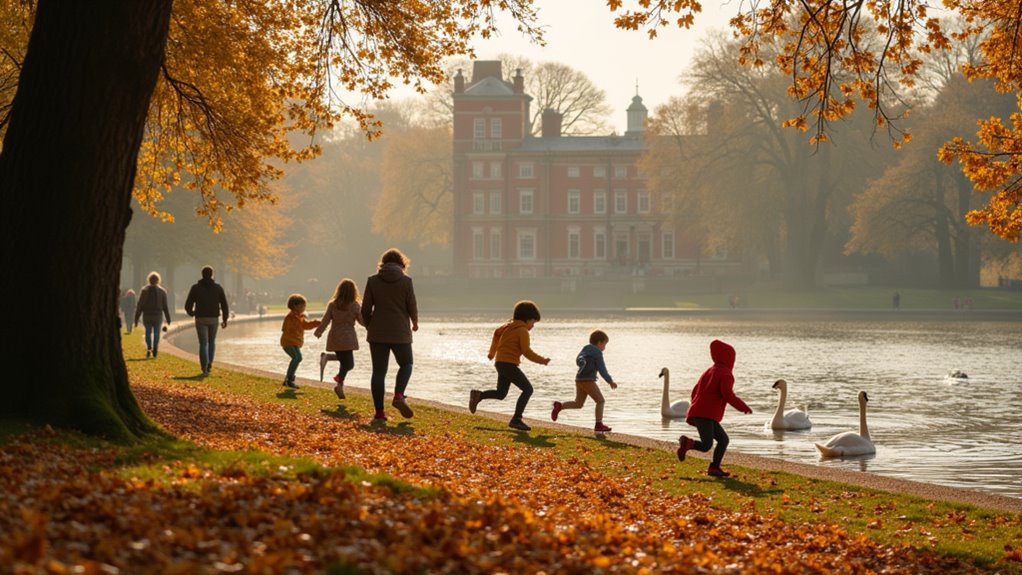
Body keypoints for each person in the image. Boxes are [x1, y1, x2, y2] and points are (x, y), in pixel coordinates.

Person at [468, 300, 550, 432]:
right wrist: (542, 360)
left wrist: (492, 353)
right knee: (528, 389)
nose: (533, 326)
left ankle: (479, 395)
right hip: (508, 364)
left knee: (501, 393)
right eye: (533, 322)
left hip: (500, 363)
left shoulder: (508, 326)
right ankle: (516, 419)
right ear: (527, 319)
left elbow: (496, 334)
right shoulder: (522, 331)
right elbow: (526, 351)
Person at [676, 339, 752, 477]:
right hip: (706, 413)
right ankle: (687, 443)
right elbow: (728, 394)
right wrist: (743, 407)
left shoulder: (709, 371)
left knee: (723, 440)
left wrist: (695, 405)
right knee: (707, 445)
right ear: (729, 358)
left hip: (701, 412)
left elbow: (695, 390)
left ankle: (714, 468)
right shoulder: (726, 374)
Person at [362, 248, 419, 421]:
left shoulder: (372, 281)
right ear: (402, 263)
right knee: (407, 364)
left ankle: (379, 413)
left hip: (377, 332)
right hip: (400, 331)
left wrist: (370, 326)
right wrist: (415, 322)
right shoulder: (406, 281)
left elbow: (365, 309)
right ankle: (399, 395)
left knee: (379, 372)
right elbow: (411, 304)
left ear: (383, 263)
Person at [551, 329, 618, 432]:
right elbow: (602, 369)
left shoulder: (585, 348)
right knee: (600, 401)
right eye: (604, 344)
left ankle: (560, 406)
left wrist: (582, 363)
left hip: (579, 380)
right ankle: (599, 424)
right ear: (599, 343)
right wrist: (610, 381)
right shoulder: (597, 353)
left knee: (578, 403)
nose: (604, 348)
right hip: (588, 381)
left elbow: (579, 359)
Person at [315, 278, 364, 400]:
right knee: (349, 364)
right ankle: (339, 378)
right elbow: (362, 321)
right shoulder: (355, 305)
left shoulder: (333, 304)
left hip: (335, 336)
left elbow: (326, 320)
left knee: (344, 362)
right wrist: (372, 325)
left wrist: (319, 331)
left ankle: (339, 385)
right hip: (348, 338)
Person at [184, 265, 230, 376]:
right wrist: (225, 319)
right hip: (213, 318)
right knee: (211, 342)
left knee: (203, 343)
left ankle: (204, 367)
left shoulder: (195, 288)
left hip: (200, 318)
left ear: (202, 274)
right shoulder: (218, 288)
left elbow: (188, 305)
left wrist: (192, 313)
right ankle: (209, 363)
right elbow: (224, 305)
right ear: (212, 274)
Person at [279, 293, 320, 389]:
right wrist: (296, 327)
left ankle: (289, 379)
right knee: (297, 358)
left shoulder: (299, 317)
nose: (304, 308)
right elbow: (285, 329)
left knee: (298, 358)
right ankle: (289, 379)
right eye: (303, 306)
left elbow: (306, 325)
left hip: (295, 342)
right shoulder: (290, 317)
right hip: (288, 342)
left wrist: (317, 323)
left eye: (305, 306)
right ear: (295, 306)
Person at [134, 271, 171, 358]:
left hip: (147, 315)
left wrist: (136, 318)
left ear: (149, 280)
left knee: (148, 332)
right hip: (158, 315)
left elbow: (140, 305)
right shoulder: (162, 291)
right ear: (158, 280)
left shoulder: (144, 291)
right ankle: (155, 348)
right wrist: (168, 318)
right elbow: (165, 306)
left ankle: (149, 347)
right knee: (157, 333)